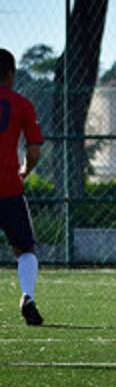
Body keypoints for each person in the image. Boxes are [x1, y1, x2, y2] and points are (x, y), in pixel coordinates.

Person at [0, 49, 45, 326]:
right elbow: (34, 150)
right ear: (11, 74)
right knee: (25, 250)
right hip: (8, 187)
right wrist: (26, 170)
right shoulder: (22, 104)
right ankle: (27, 296)